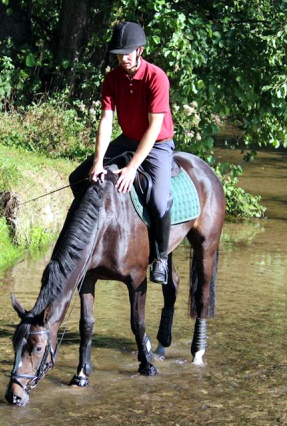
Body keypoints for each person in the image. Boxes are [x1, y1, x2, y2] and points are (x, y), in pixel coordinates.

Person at [69, 21, 175, 284]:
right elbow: (106, 120)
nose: (123, 58)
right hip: (127, 139)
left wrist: (131, 168)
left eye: (128, 53)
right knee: (78, 178)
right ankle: (92, 234)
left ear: (140, 51)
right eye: (119, 53)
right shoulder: (112, 78)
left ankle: (160, 257)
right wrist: (97, 162)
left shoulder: (156, 77)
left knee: (159, 201)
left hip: (158, 143)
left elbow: (154, 128)